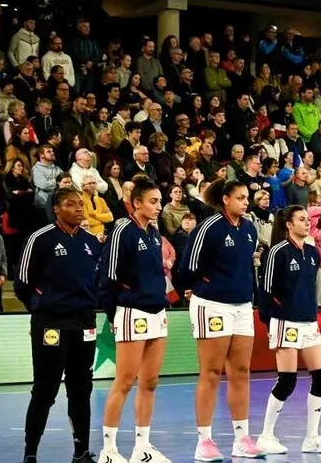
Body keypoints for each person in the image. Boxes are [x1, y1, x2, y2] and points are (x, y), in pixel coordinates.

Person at [176, 179, 265, 460]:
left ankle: (242, 438)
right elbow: (187, 268)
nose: (245, 202)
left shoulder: (249, 229)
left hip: (242, 306)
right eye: (240, 197)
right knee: (211, 372)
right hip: (211, 305)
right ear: (225, 199)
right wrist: (202, 285)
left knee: (241, 371)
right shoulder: (209, 227)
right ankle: (204, 441)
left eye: (246, 197)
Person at [15, 187, 100, 463]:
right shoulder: (41, 239)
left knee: (81, 389)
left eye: (80, 204)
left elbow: (98, 282)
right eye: (71, 204)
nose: (78, 208)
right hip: (51, 324)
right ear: (56, 208)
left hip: (84, 323)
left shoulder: (90, 242)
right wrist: (40, 311)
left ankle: (81, 451)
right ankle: (30, 453)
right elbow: (22, 284)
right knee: (45, 389)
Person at [98, 178, 171, 463]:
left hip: (157, 312)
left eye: (160, 201)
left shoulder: (154, 233)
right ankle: (109, 450)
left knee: (150, 382)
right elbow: (108, 277)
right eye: (153, 201)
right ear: (136, 202)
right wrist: (112, 314)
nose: (158, 206)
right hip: (131, 312)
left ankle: (142, 448)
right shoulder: (122, 231)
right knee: (124, 381)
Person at [256, 205, 321, 455]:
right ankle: (265, 436)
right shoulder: (277, 252)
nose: (307, 223)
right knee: (287, 380)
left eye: (307, 219)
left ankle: (312, 437)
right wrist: (272, 322)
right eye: (301, 220)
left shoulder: (313, 253)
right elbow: (266, 292)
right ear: (289, 224)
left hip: (309, 321)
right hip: (285, 322)